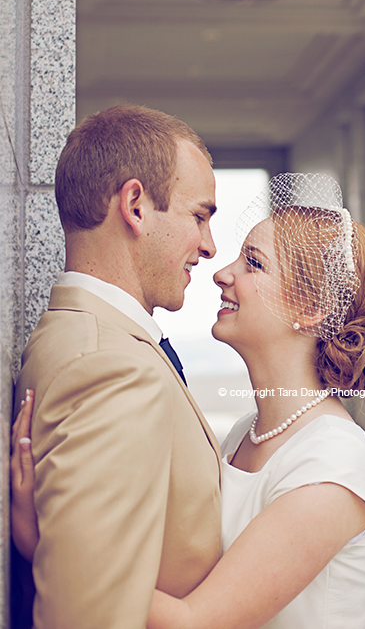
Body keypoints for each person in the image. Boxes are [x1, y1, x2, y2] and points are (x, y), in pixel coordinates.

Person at [13, 173, 365, 629]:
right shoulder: (244, 434)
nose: (221, 273)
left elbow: (197, 620)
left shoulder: (335, 464)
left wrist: (47, 546)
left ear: (311, 309)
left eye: (253, 264)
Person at [12, 105, 222, 629]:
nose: (210, 247)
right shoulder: (110, 368)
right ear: (135, 205)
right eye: (199, 216)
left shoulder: (83, 340)